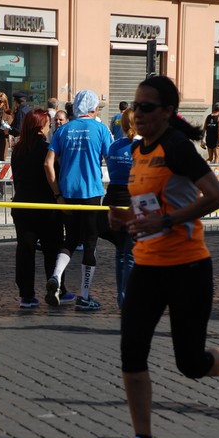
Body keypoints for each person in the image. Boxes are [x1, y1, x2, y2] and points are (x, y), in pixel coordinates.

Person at [104, 76, 219, 438]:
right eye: (134, 107)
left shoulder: (177, 148)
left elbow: (217, 196)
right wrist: (124, 218)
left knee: (190, 362)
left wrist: (167, 221)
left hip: (188, 267)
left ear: (166, 112)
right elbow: (149, 209)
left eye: (146, 108)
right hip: (147, 265)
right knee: (131, 352)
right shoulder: (136, 150)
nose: (137, 115)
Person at [44, 89, 112, 311]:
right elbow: (111, 160)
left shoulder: (63, 130)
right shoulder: (101, 129)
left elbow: (48, 164)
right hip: (91, 193)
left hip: (67, 193)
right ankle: (84, 296)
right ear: (93, 108)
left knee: (70, 239)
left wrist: (57, 194)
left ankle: (56, 276)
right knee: (90, 243)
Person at [11, 109, 75, 308]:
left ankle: (26, 295)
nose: (50, 128)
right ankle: (58, 288)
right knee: (53, 250)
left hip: (22, 207)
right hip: (47, 208)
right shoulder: (48, 150)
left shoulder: (17, 150)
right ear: (40, 128)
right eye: (48, 125)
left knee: (25, 252)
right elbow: (54, 176)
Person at [99, 108, 138, 308]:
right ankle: (127, 299)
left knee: (120, 252)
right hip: (131, 200)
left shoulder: (114, 147)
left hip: (113, 198)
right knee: (130, 253)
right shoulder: (141, 147)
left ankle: (122, 298)